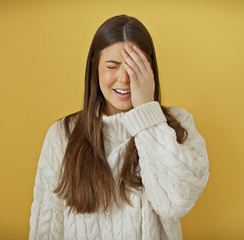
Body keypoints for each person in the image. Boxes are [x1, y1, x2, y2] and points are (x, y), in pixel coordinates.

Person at [28, 14, 210, 240]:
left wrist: (146, 111)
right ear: (95, 69)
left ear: (150, 70)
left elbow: (176, 203)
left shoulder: (178, 125)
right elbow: (47, 226)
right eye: (112, 66)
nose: (124, 78)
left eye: (135, 67)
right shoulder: (63, 134)